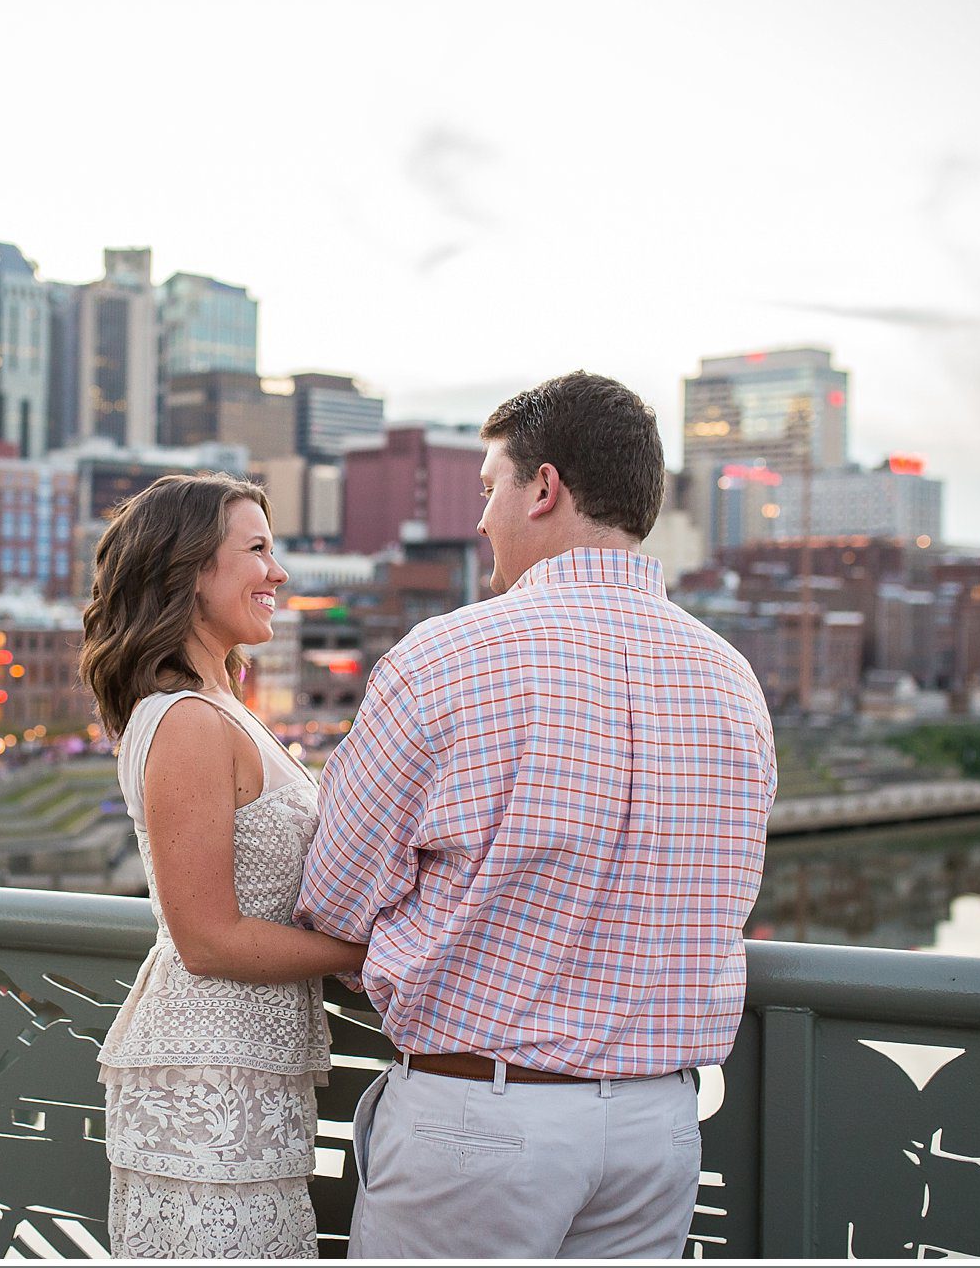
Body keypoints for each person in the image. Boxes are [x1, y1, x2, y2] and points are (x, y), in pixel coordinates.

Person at [296, 371, 776, 1259]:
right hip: (658, 1127)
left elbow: (332, 898)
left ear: (544, 487)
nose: (481, 519)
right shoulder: (732, 679)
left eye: (490, 489)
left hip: (481, 1121)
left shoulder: (447, 657)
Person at [80, 472, 366, 1259]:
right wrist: (370, 955)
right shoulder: (189, 722)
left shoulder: (220, 708)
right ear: (189, 569)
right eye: (258, 549)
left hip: (243, 1076)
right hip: (208, 1086)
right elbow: (207, 938)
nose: (278, 573)